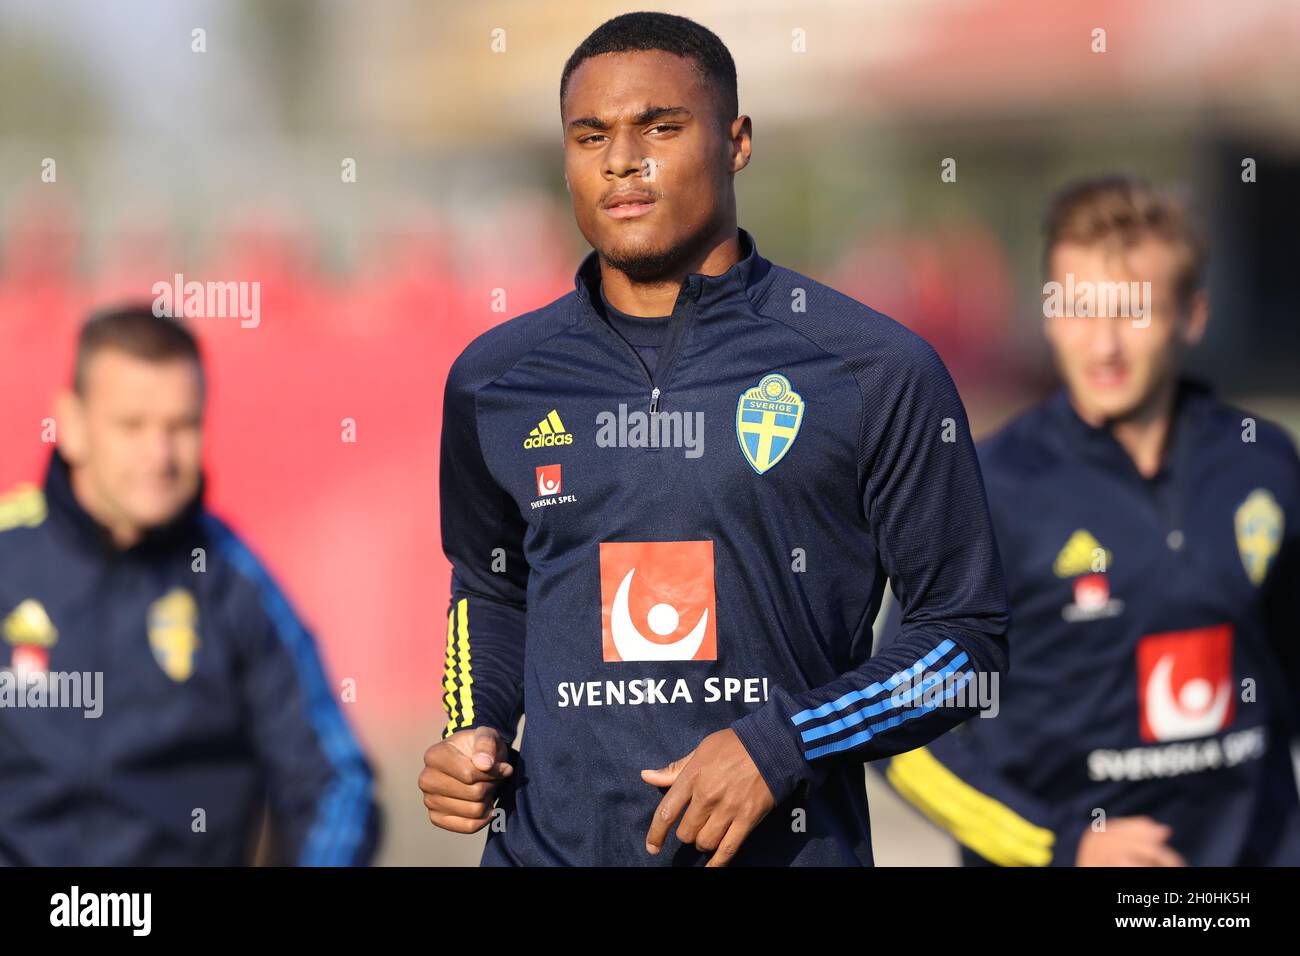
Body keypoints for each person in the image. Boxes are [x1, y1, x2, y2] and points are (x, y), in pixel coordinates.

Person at [419, 11, 1008, 866]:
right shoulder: (495, 380)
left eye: (661, 126)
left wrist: (787, 743)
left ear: (737, 142)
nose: (624, 159)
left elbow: (965, 640)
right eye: (591, 136)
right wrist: (471, 728)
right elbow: (490, 588)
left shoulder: (874, 368)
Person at [880, 175, 1300, 866]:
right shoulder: (990, 488)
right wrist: (1060, 845)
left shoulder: (1265, 464)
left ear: (1192, 316)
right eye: (1077, 308)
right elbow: (903, 734)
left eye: (1132, 312)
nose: (1102, 345)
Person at [0, 305, 380, 865]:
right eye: (132, 426)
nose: (160, 455)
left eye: (182, 426)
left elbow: (335, 782)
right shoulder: (10, 558)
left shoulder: (234, 578)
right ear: (73, 425)